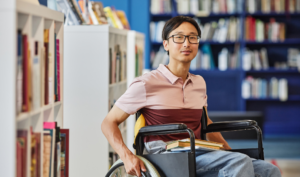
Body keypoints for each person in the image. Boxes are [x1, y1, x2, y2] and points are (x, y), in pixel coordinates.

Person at [101, 16, 281, 177]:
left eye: (192, 37)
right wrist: (127, 156)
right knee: (238, 163)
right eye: (178, 37)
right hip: (165, 157)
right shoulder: (146, 83)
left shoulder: (199, 83)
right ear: (166, 45)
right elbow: (108, 123)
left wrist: (228, 151)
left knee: (268, 170)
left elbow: (206, 123)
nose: (186, 43)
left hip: (198, 151)